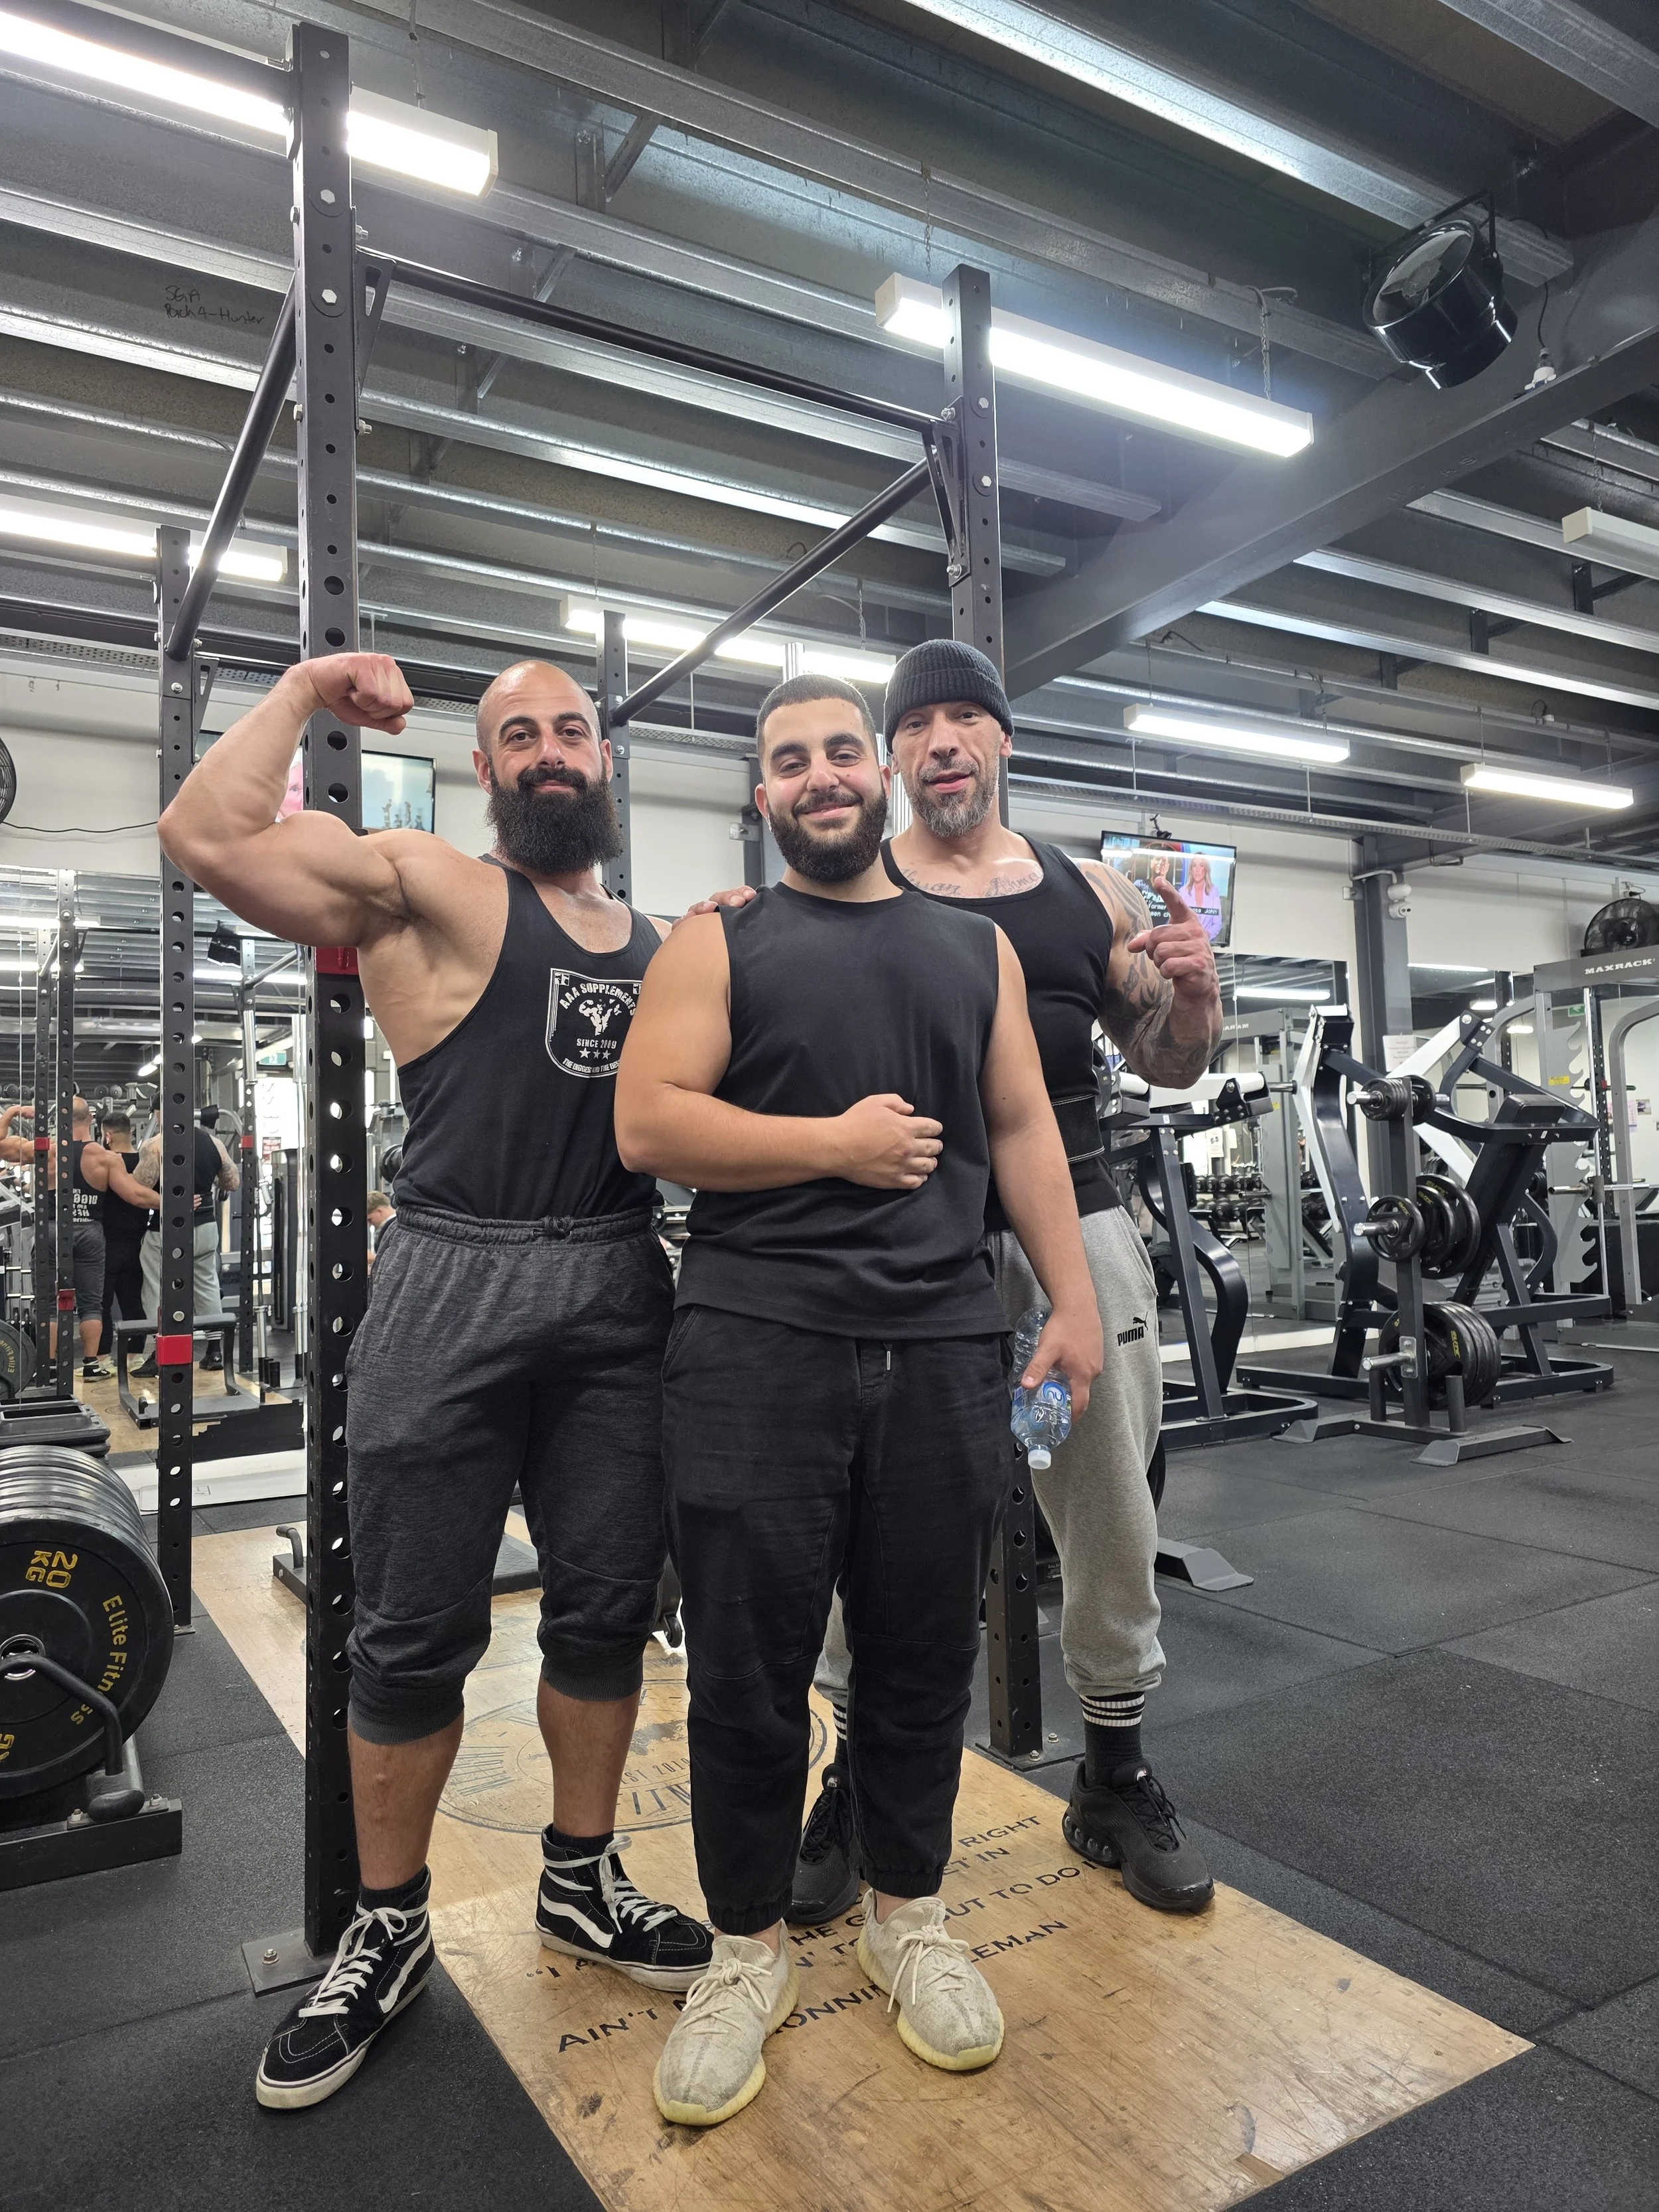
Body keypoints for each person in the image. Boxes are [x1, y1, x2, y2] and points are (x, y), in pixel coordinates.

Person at [157, 650, 711, 2113]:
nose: (545, 750)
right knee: (408, 1623)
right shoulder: (429, 885)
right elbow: (205, 837)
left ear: (603, 759)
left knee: (605, 1605)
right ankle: (384, 1923)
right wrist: (304, 688)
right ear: (485, 770)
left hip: (616, 1281)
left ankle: (581, 1881)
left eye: (569, 729)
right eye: (515, 732)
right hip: (450, 1275)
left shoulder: (671, 941)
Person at [614, 674, 1104, 2129]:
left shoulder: (972, 949)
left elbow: (1018, 1121)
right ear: (761, 795)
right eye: (790, 761)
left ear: (878, 776)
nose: (822, 776)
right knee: (748, 1673)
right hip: (756, 1348)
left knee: (915, 1658)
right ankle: (745, 1944)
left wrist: (1069, 1298)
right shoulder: (720, 937)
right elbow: (649, 1121)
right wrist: (832, 1144)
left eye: (841, 751)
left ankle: (909, 1912)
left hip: (948, 1343)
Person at [788, 639, 1223, 1923]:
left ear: (1002, 742)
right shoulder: (853, 879)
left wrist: (1195, 1001)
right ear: (895, 757)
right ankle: (860, 1773)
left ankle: (1112, 1769)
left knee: (1096, 1489)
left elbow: (1172, 1059)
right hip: (903, 1240)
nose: (940, 743)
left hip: (1069, 1229)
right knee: (872, 1507)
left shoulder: (1090, 892)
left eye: (963, 718)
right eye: (914, 723)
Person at [0, 1097, 157, 1377]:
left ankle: (47, 1367)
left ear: (57, 1120)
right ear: (92, 1120)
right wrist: (176, 1202)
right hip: (89, 1231)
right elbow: (136, 1196)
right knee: (92, 1305)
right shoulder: (105, 1157)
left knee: (47, 1303)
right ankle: (91, 1364)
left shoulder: (43, 1149)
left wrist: (13, 1111)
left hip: (51, 1228)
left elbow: (0, 1146)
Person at [129, 1114, 239, 1377]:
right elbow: (232, 1182)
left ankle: (158, 1354)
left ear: (159, 1114)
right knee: (207, 1284)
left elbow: (140, 1185)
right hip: (205, 1227)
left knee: (157, 1287)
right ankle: (214, 1350)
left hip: (167, 1230)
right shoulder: (214, 1143)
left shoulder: (155, 1144)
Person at [97, 1110, 152, 1366]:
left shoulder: (103, 1162)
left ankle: (101, 1359)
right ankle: (135, 1358)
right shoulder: (146, 1161)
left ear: (107, 1135)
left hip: (106, 1244)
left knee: (101, 1306)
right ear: (130, 1132)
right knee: (133, 1304)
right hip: (138, 1243)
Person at [365, 1189, 395, 1269]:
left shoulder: (391, 1228)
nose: (370, 1224)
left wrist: (373, 1259)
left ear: (379, 1211)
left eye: (370, 1219)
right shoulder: (394, 1226)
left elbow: (395, 1263)